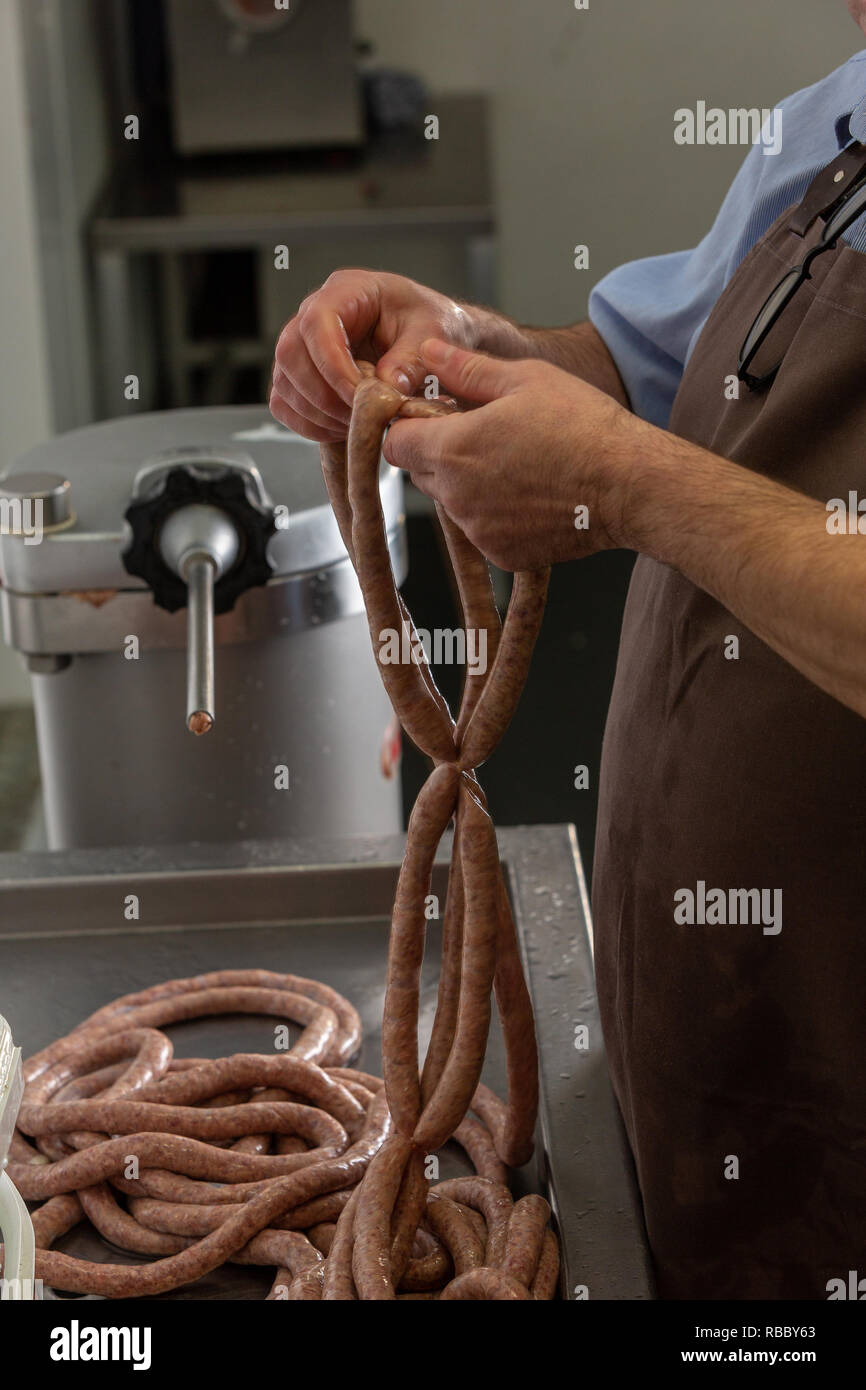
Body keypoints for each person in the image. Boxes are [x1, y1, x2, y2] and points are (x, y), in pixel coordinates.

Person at [270, 10, 866, 1299]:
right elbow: (645, 375)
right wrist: (466, 345)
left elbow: (635, 461)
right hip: (717, 1050)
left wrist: (623, 489)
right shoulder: (838, 119)